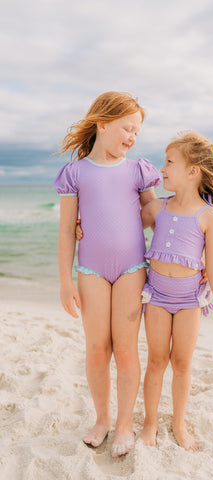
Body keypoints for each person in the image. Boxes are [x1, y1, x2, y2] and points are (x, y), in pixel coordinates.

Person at [53, 91, 161, 457]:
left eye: (137, 132)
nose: (132, 137)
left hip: (132, 268)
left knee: (126, 349)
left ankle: (126, 424)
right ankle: (102, 419)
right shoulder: (76, 173)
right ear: (102, 123)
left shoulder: (138, 170)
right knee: (98, 350)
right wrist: (66, 281)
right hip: (90, 271)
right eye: (127, 128)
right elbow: (68, 230)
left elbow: (154, 216)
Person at [139, 131, 213, 451]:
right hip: (156, 296)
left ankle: (179, 423)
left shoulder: (209, 216)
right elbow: (123, 228)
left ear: (192, 170)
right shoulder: (158, 208)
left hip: (188, 301)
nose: (163, 168)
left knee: (182, 363)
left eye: (170, 162)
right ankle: (150, 423)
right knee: (157, 361)